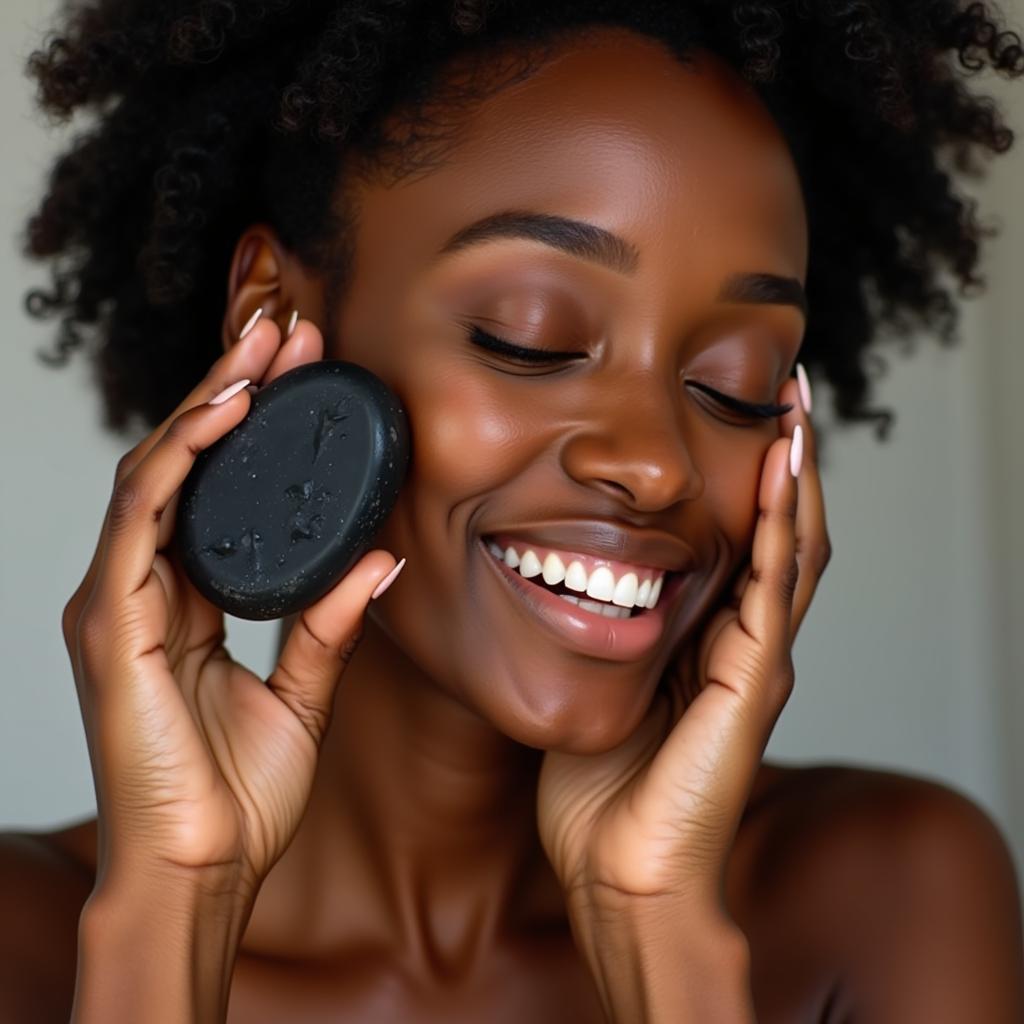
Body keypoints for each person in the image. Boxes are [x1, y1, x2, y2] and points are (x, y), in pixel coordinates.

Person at [3, 1, 1023, 1020]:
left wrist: (654, 918)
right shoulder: (25, 944)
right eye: (524, 338)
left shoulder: (884, 894)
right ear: (274, 318)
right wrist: (174, 904)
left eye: (735, 383)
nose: (655, 464)